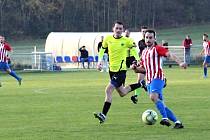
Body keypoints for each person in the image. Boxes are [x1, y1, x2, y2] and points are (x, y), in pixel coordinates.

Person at [132, 29, 186, 129]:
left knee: (153, 97)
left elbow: (169, 55)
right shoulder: (144, 52)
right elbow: (142, 69)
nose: (148, 39)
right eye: (146, 37)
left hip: (158, 77)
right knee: (161, 104)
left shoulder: (157, 49)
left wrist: (180, 62)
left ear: (154, 39)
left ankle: (164, 118)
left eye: (150, 37)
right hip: (149, 81)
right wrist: (135, 68)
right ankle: (178, 122)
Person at [93, 21, 145, 124]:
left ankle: (103, 115)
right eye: (117, 28)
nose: (118, 30)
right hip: (112, 70)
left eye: (120, 29)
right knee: (123, 92)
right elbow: (102, 50)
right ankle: (140, 84)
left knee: (108, 90)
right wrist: (99, 61)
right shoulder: (108, 39)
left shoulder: (126, 40)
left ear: (122, 30)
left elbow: (134, 49)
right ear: (113, 28)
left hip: (121, 71)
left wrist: (138, 59)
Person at [130, 26, 148, 104]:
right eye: (142, 31)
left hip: (150, 64)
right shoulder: (140, 42)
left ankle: (154, 94)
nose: (144, 33)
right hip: (142, 63)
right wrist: (136, 60)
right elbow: (139, 52)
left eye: (145, 31)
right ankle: (136, 96)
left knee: (151, 81)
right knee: (139, 80)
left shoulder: (152, 41)